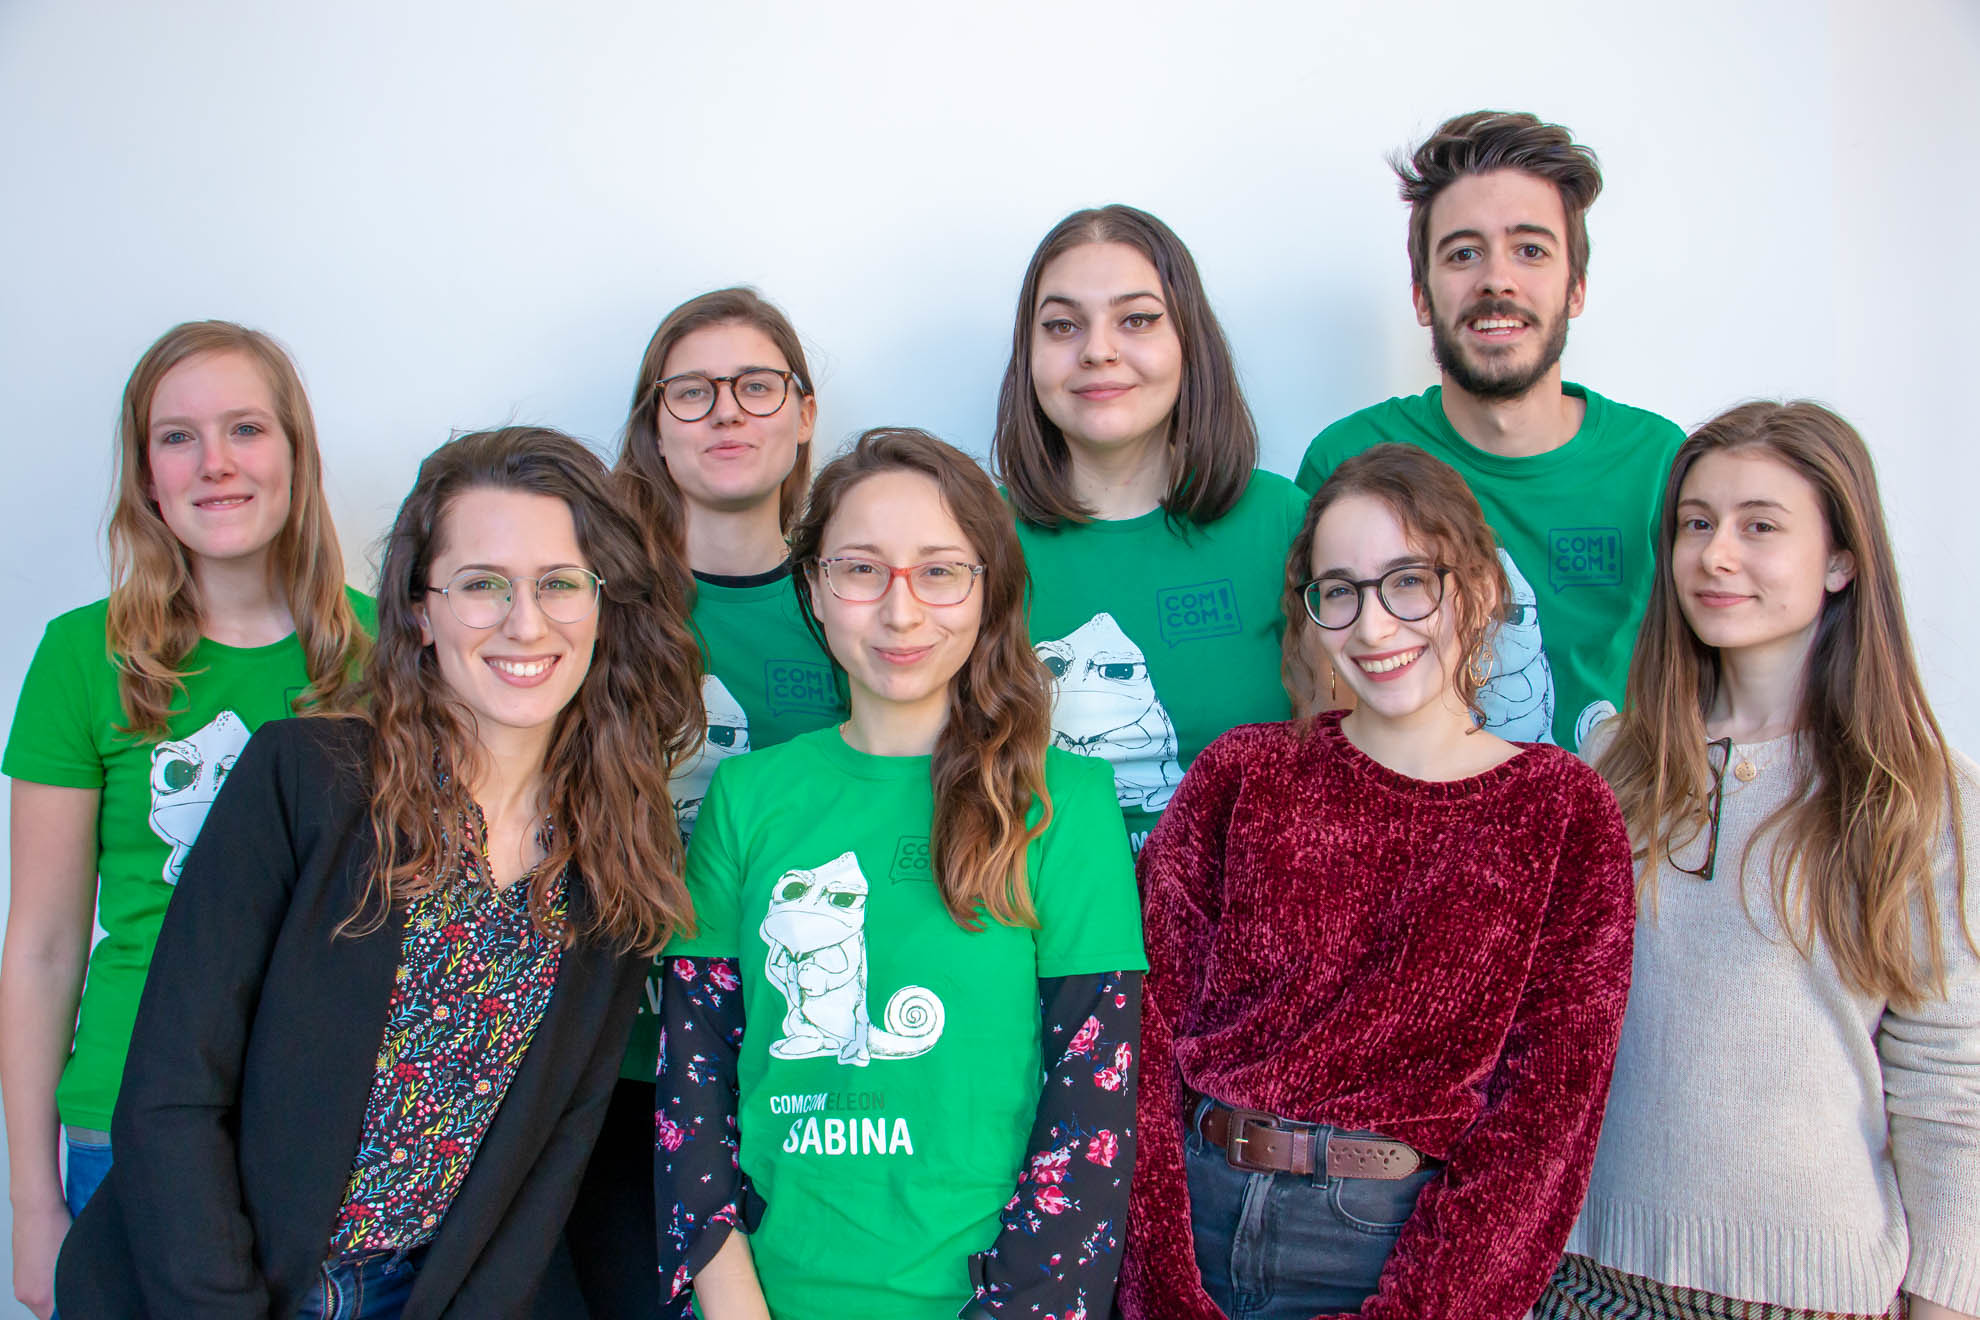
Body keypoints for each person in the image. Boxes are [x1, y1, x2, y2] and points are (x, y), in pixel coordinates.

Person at [51, 426, 705, 1319]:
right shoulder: (306, 779)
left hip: (420, 1295)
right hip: (194, 1289)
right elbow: (172, 1095)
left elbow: (552, 1155)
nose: (526, 622)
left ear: (604, 606)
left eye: (559, 584)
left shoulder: (617, 853)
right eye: (482, 585)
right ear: (420, 610)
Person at [1124, 443, 1636, 1320]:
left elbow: (1544, 1120)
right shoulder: (1242, 775)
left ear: (1474, 591)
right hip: (1198, 1212)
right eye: (1341, 592)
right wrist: (1162, 1278)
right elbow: (1141, 1032)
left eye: (1409, 582)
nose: (1372, 627)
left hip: (1383, 1242)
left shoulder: (1560, 811)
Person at [657, 428, 1147, 1319]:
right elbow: (693, 1084)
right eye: (861, 569)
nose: (901, 610)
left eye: (939, 570)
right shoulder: (749, 794)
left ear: (988, 587)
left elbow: (1092, 1117)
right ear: (812, 584)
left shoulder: (1064, 802)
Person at [1533, 402, 1980, 1320]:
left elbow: (1950, 1085)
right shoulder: (1613, 769)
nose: (1716, 554)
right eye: (1696, 524)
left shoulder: (1917, 796)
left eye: (1759, 527)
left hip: (1807, 1297)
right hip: (1580, 1278)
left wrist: (1943, 1304)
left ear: (1843, 561)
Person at [0, 321, 374, 1320]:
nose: (215, 463)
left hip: (331, 1126)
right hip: (125, 1125)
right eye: (178, 437)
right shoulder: (83, 658)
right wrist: (32, 1203)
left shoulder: (392, 655)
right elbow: (38, 947)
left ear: (296, 453)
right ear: (145, 475)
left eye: (246, 428)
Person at [558, 288, 846, 1317]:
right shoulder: (589, 611)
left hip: (809, 1064)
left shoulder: (854, 604)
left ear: (804, 414)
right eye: (693, 392)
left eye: (756, 386)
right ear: (655, 426)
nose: (727, 411)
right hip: (624, 1069)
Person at [1295, 110, 1685, 751]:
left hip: (1624, 832)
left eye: (1530, 250)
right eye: (1464, 253)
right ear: (1422, 296)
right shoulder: (1348, 460)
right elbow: (1321, 696)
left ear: (1576, 286)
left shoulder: (1659, 463)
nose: (1496, 280)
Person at [994, 203, 1307, 854]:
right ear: (1028, 355)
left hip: (1243, 928)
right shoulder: (974, 541)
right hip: (1047, 934)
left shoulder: (1286, 522)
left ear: (1189, 340)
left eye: (1136, 319)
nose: (1098, 350)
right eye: (1061, 325)